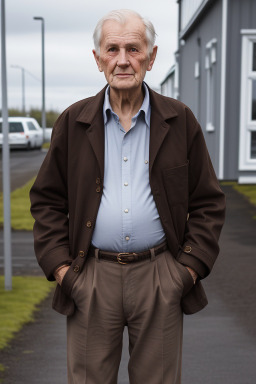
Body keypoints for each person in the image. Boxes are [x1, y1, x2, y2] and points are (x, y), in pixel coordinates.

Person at [30, 9, 225, 384]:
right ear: (98, 58)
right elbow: (47, 202)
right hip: (90, 277)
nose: (123, 60)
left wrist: (185, 272)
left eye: (134, 49)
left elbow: (208, 202)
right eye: (113, 49)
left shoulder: (180, 121)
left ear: (151, 58)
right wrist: (64, 272)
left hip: (160, 277)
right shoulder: (73, 122)